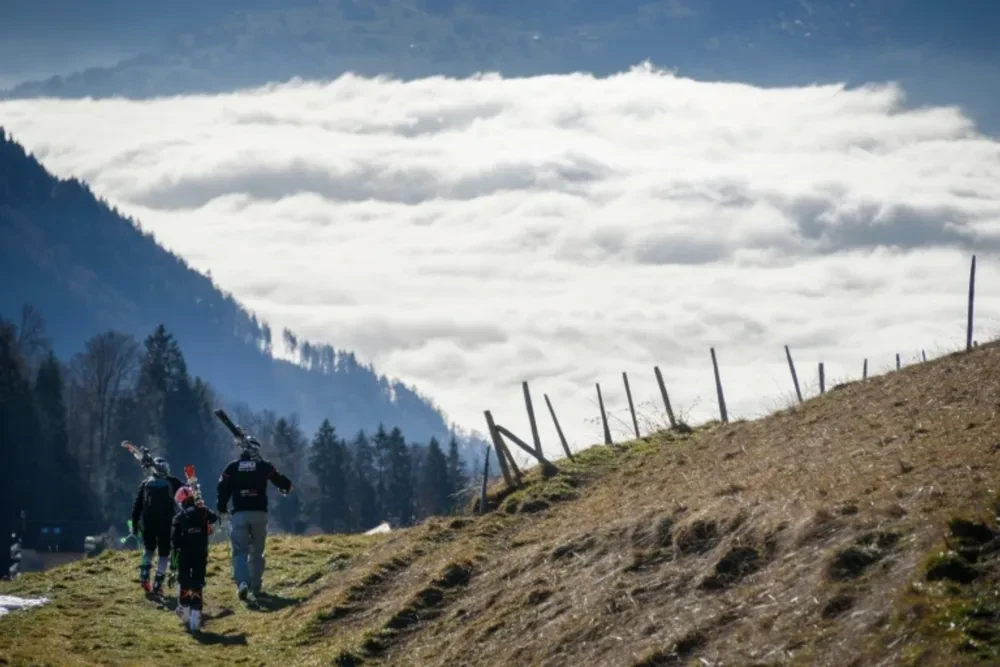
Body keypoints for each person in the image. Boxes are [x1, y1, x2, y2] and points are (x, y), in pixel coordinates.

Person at [216, 437, 293, 603]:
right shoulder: (264, 466)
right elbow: (284, 483)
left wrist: (222, 507)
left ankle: (243, 583)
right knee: (257, 552)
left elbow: (222, 489)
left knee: (240, 551)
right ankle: (256, 587)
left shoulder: (232, 467)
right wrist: (282, 482)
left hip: (239, 514)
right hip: (259, 513)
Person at [130, 457, 184, 596]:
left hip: (148, 522)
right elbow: (187, 493)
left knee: (149, 549)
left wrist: (135, 524)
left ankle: (144, 572)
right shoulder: (173, 481)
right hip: (166, 523)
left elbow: (137, 506)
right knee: (164, 554)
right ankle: (158, 582)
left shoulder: (146, 483)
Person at [171, 485, 218, 632]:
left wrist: (174, 559)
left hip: (185, 555)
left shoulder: (179, 517)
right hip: (200, 554)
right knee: (197, 582)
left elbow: (175, 540)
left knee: (184, 581)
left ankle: (184, 610)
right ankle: (196, 615)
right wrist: (202, 506)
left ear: (181, 501)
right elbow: (214, 517)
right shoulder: (203, 511)